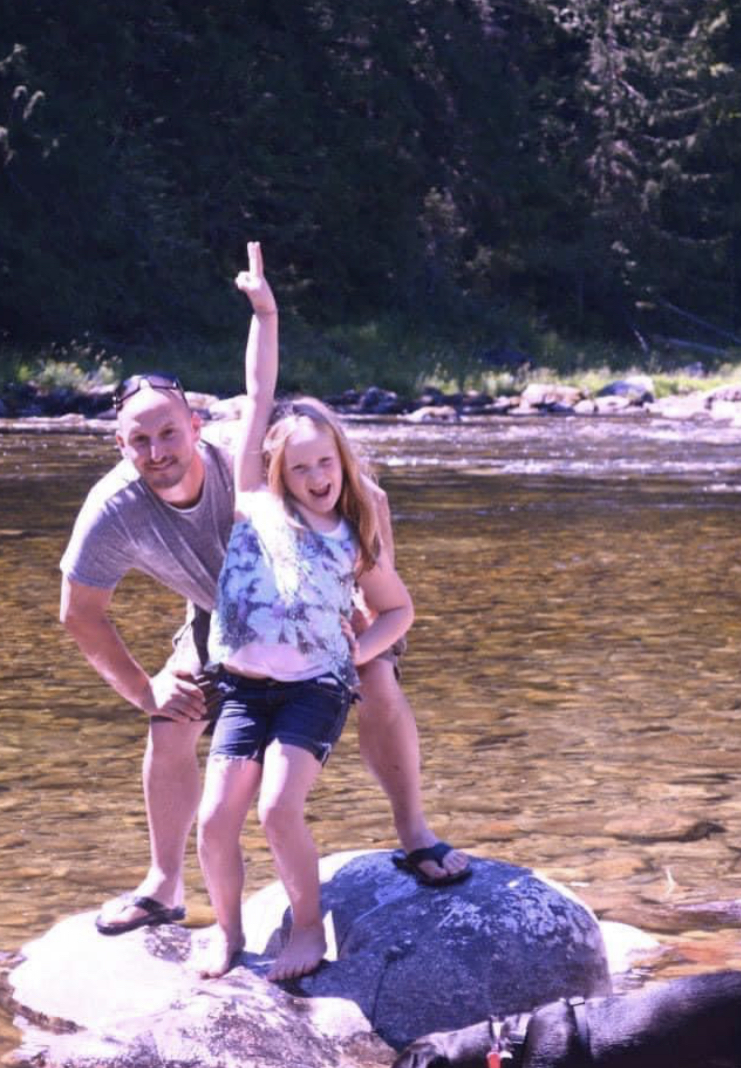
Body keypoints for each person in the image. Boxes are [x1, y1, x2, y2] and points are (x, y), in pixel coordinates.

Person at [59, 246, 469, 939]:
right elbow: (80, 614)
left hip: (321, 607)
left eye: (168, 432)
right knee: (173, 716)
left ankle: (414, 832)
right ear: (119, 446)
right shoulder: (112, 508)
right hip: (227, 618)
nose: (157, 451)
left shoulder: (240, 457)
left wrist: (366, 600)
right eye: (140, 441)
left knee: (378, 681)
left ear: (193, 425)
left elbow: (355, 486)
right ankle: (163, 885)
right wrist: (141, 690)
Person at [190, 242, 414, 981]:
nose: (316, 477)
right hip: (245, 687)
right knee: (216, 815)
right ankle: (224, 932)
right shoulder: (252, 503)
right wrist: (265, 311)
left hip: (315, 688)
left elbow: (396, 611)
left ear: (341, 466)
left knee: (278, 809)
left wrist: (352, 657)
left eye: (327, 464)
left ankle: (308, 929)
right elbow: (258, 393)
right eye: (301, 467)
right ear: (275, 471)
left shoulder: (354, 533)